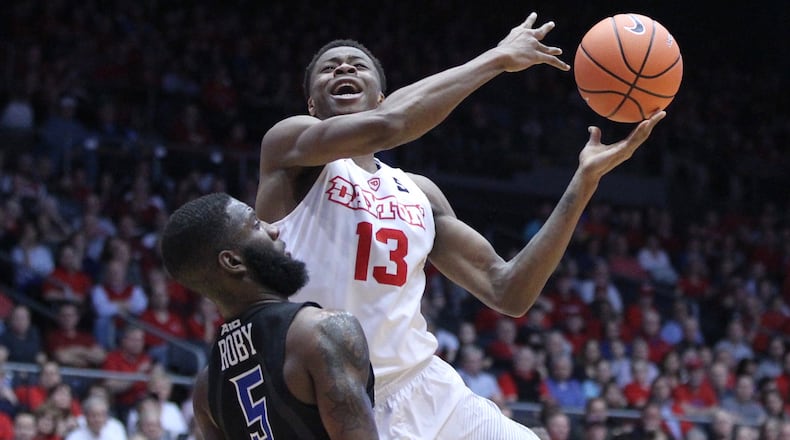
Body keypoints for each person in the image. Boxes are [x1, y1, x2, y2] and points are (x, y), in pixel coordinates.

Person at [254, 11, 665, 439]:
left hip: (426, 385)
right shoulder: (288, 149)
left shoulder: (420, 192)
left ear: (380, 95)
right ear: (310, 105)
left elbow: (507, 290)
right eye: (329, 67)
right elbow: (389, 126)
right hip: (337, 401)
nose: (343, 67)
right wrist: (497, 58)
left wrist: (583, 183)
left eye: (358, 65)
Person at [159, 192, 378, 439]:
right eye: (255, 224)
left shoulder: (206, 388)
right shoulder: (322, 332)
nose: (273, 230)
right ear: (232, 261)